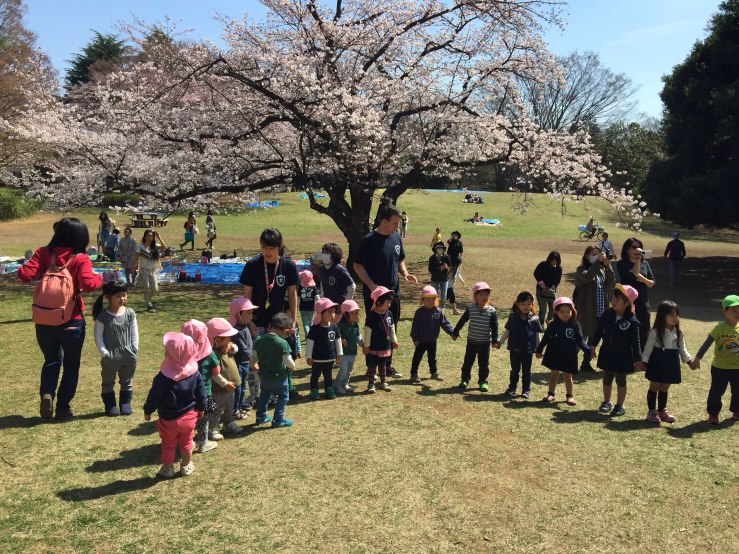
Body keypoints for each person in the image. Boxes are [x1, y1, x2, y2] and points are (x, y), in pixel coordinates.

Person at [18, 217, 103, 420]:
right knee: (71, 365)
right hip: (71, 320)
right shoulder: (80, 258)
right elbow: (89, 284)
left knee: (51, 360)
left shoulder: (43, 253)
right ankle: (63, 408)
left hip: (44, 320)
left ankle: (47, 393)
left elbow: (23, 274)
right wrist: (100, 277)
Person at [354, 203, 417, 378]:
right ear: (383, 221)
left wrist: (405, 273)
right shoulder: (369, 240)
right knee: (375, 329)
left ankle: (387, 365)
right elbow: (357, 265)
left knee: (390, 327)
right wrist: (371, 285)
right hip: (375, 295)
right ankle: (371, 366)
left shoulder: (395, 237)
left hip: (393, 293)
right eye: (395, 223)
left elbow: (399, 259)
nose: (397, 226)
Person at [143, 332, 207, 478]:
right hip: (189, 417)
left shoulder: (161, 378)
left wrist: (148, 411)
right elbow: (201, 393)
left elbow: (154, 397)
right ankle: (186, 466)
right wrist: (201, 408)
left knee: (168, 444)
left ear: (168, 353)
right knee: (187, 442)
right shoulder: (195, 374)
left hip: (168, 419)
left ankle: (168, 468)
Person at [590, 284, 643, 417]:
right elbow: (598, 331)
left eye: (617, 299)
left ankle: (620, 405)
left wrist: (638, 359)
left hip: (623, 355)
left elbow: (636, 342)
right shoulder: (607, 315)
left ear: (627, 302)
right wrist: (593, 346)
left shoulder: (632, 321)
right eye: (612, 298)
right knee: (607, 377)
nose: (613, 301)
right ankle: (606, 402)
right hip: (608, 352)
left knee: (621, 379)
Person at [641, 300, 698, 423]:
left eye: (677, 315)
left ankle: (662, 410)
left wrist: (690, 362)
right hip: (657, 361)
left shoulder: (679, 333)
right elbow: (648, 349)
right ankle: (652, 412)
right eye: (671, 315)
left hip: (671, 362)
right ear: (663, 316)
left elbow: (683, 350)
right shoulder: (655, 332)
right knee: (655, 385)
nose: (675, 318)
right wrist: (643, 362)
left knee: (665, 386)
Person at [240, 228, 299, 336]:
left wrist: (294, 320)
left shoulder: (289, 266)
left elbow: (292, 295)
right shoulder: (252, 265)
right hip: (256, 322)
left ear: (279, 247)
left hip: (279, 323)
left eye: (271, 248)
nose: (267, 252)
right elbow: (247, 295)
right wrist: (249, 321)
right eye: (263, 247)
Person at [92, 280, 138, 416]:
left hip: (128, 354)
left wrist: (134, 347)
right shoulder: (103, 317)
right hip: (110, 356)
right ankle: (110, 405)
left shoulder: (130, 313)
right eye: (118, 296)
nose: (122, 298)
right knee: (108, 381)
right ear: (108, 297)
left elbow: (134, 332)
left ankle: (125, 403)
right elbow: (98, 336)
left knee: (127, 380)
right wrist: (104, 352)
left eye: (124, 295)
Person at [181, 319, 229, 453]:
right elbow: (216, 371)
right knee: (203, 418)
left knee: (188, 419)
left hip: (185, 393)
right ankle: (203, 443)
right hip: (204, 393)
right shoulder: (209, 354)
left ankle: (188, 442)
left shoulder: (180, 352)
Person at [694, 294, 739, 425]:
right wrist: (697, 358)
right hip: (720, 368)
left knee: (738, 391)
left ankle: (736, 411)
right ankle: (713, 414)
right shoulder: (719, 328)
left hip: (737, 368)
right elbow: (707, 343)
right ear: (724, 311)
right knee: (716, 392)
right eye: (734, 310)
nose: (737, 313)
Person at [535, 297, 589, 405]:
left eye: (568, 311)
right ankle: (551, 394)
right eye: (562, 312)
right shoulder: (553, 324)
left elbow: (580, 340)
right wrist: (539, 350)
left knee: (568, 375)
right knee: (554, 374)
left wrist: (588, 350)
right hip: (555, 352)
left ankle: (569, 396)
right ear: (556, 312)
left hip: (569, 354)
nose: (565, 314)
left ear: (572, 311)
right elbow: (545, 339)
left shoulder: (575, 325)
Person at [250, 312, 296, 428]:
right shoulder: (282, 343)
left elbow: (253, 357)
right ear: (285, 331)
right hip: (280, 377)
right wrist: (292, 366)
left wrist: (253, 365)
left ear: (270, 326)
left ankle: (260, 417)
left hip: (264, 377)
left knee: (264, 395)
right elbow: (288, 361)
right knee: (283, 397)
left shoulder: (259, 340)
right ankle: (278, 420)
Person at [573, 246, 615, 371]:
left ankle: (585, 363)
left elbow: (611, 282)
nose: (597, 256)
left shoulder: (601, 270)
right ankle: (569, 364)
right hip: (585, 310)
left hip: (600, 310)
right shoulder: (581, 270)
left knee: (593, 339)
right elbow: (588, 277)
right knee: (580, 338)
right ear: (586, 256)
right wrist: (598, 262)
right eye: (594, 254)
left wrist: (608, 266)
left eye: (599, 254)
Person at [452, 282, 498, 392]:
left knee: (484, 364)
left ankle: (483, 381)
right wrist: (456, 331)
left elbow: (495, 327)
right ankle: (465, 379)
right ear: (475, 296)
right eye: (481, 294)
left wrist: (494, 340)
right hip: (472, 342)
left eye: (486, 294)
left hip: (484, 343)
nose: (484, 297)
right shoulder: (471, 308)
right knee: (468, 363)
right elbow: (462, 321)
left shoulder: (492, 311)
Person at [497, 291, 543, 399]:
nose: (526, 306)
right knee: (514, 370)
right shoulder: (513, 317)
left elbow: (537, 335)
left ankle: (526, 390)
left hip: (528, 350)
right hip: (515, 349)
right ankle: (512, 389)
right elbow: (507, 331)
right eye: (522, 304)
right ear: (517, 304)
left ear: (532, 304)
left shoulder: (535, 319)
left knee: (526, 372)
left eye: (528, 304)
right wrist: (500, 341)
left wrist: (539, 349)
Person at [205, 318, 243, 438]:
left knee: (229, 407)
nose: (230, 340)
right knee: (217, 409)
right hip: (220, 389)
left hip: (230, 387)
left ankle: (228, 423)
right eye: (228, 338)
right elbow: (213, 373)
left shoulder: (225, 346)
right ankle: (212, 429)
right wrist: (224, 383)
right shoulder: (210, 353)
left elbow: (236, 348)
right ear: (217, 339)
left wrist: (231, 347)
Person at [615, 237, 655, 347]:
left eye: (639, 247)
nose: (637, 249)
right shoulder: (622, 264)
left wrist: (643, 279)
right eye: (634, 247)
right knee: (628, 332)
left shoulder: (645, 263)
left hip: (643, 304)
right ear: (627, 249)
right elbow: (633, 274)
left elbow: (652, 283)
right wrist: (638, 259)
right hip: (628, 304)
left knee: (644, 333)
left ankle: (641, 356)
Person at [409, 286, 455, 384]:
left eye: (433, 299)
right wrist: (415, 339)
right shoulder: (419, 312)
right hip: (420, 341)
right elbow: (414, 327)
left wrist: (452, 332)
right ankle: (413, 374)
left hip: (432, 340)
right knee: (417, 358)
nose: (431, 301)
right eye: (428, 299)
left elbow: (445, 324)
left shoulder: (438, 311)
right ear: (423, 300)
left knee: (432, 358)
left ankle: (434, 373)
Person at [362, 286, 399, 393]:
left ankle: (383, 382)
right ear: (378, 302)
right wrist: (366, 346)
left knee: (383, 365)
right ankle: (371, 384)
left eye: (390, 302)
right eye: (387, 302)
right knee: (372, 366)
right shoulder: (371, 316)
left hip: (385, 345)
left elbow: (391, 327)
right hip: (374, 346)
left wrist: (394, 340)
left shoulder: (389, 314)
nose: (389, 305)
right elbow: (367, 331)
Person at [306, 297, 342, 400]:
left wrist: (339, 354)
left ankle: (329, 388)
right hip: (317, 359)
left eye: (333, 312)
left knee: (328, 375)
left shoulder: (334, 327)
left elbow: (338, 340)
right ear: (321, 314)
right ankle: (314, 389)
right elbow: (309, 343)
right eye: (329, 312)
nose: (332, 315)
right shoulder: (314, 329)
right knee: (315, 375)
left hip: (330, 358)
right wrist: (309, 356)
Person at [229, 297, 256, 418]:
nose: (251, 316)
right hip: (238, 364)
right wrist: (254, 361)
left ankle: (238, 407)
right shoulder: (236, 330)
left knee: (243, 387)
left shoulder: (244, 326)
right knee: (238, 388)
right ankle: (234, 410)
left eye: (251, 312)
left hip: (245, 363)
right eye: (248, 313)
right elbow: (244, 350)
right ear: (237, 314)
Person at [134, 229, 166, 313]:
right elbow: (136, 258)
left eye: (152, 236)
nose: (150, 237)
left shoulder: (154, 246)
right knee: (147, 288)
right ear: (145, 236)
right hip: (143, 270)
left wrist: (159, 237)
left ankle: (147, 297)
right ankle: (149, 305)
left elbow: (164, 247)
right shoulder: (140, 247)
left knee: (155, 289)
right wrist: (134, 267)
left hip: (152, 270)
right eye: (148, 235)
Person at [336, 299, 363, 394]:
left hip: (352, 352)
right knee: (343, 369)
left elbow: (358, 336)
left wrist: (362, 344)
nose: (355, 315)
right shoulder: (341, 324)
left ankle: (345, 384)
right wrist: (342, 340)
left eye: (356, 313)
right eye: (352, 313)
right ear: (345, 314)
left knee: (349, 370)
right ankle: (337, 386)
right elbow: (336, 335)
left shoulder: (355, 325)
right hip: (343, 353)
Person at [533, 251, 562, 324]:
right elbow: (536, 273)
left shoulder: (559, 268)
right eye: (553, 260)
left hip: (551, 292)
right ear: (549, 259)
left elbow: (558, 280)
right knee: (543, 309)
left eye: (556, 260)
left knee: (554, 308)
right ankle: (541, 324)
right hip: (541, 290)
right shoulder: (543, 265)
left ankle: (548, 319)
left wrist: (554, 286)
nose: (554, 262)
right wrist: (540, 282)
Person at [428, 241, 452, 309]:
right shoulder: (432, 258)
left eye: (441, 248)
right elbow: (430, 270)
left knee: (444, 297)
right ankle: (434, 308)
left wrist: (447, 267)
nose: (440, 249)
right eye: (438, 248)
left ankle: (441, 309)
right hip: (434, 279)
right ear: (435, 249)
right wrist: (440, 268)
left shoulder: (446, 257)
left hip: (444, 280)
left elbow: (450, 268)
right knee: (434, 296)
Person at [298, 269, 320, 338]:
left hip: (302, 308)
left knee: (305, 323)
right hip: (311, 308)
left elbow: (298, 296)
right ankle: (310, 336)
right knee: (310, 322)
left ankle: (308, 335)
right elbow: (317, 298)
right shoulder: (313, 287)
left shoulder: (300, 286)